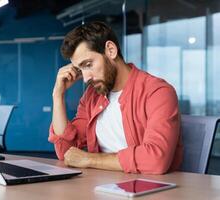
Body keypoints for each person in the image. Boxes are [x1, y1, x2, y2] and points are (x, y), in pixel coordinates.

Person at [48, 21, 183, 174]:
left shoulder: (158, 92)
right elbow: (66, 152)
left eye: (88, 64)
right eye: (80, 69)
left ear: (110, 50)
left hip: (149, 188)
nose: (85, 78)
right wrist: (58, 95)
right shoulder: (91, 96)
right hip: (101, 185)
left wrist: (90, 159)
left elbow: (156, 160)